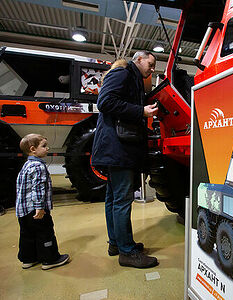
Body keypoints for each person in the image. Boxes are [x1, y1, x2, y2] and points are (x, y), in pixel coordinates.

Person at [91, 51, 159, 268]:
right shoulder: (122, 73)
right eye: (151, 63)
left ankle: (117, 243)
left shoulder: (132, 78)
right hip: (118, 148)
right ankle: (127, 252)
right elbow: (105, 101)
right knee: (121, 200)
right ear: (139, 59)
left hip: (116, 148)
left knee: (113, 199)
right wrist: (141, 111)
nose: (152, 68)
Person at [16, 133, 70, 270]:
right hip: (36, 209)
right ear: (33, 149)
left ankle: (28, 259)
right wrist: (40, 208)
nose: (47, 148)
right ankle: (50, 259)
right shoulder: (38, 167)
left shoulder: (27, 165)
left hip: (23, 210)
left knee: (27, 234)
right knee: (45, 232)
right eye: (44, 146)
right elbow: (38, 188)